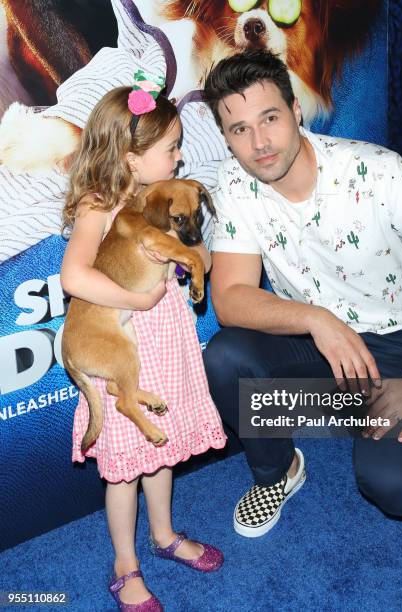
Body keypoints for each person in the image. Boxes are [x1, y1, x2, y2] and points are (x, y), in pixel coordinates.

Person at [201, 49, 402, 538]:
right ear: (226, 139)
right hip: (316, 348)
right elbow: (229, 298)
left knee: (397, 488)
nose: (259, 142)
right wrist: (317, 319)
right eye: (239, 129)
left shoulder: (376, 171)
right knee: (226, 356)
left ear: (295, 111)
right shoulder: (233, 186)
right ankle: (279, 471)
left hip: (398, 345)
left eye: (269, 118)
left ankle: (386, 404)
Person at [60, 76, 227, 610]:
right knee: (125, 465)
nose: (179, 158)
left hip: (166, 339)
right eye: (170, 148)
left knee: (161, 453)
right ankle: (124, 564)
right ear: (131, 158)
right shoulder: (100, 204)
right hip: (123, 339)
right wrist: (135, 302)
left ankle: (163, 535)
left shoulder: (165, 199)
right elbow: (73, 277)